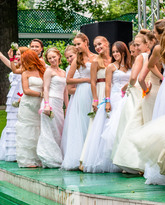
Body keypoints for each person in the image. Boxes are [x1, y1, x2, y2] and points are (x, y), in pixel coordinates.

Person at [128, 19, 165, 183]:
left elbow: (152, 65)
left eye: (155, 32)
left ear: (161, 33)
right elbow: (152, 65)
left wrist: (163, 77)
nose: (153, 35)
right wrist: (164, 77)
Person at [82, 41, 132, 173]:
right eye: (114, 51)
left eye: (118, 51)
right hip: (116, 98)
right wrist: (108, 101)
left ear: (124, 52)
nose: (115, 54)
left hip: (129, 97)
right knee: (113, 129)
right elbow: (108, 85)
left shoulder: (130, 65)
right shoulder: (111, 67)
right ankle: (114, 159)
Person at [112, 29, 154, 173]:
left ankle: (131, 160)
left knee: (131, 123)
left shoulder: (141, 57)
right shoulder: (152, 55)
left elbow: (133, 77)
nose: (135, 48)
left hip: (137, 91)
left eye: (138, 45)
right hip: (147, 90)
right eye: (134, 45)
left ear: (146, 44)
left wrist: (128, 87)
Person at [61, 32, 97, 170]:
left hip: (95, 91)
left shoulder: (96, 57)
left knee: (94, 122)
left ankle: (92, 155)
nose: (76, 47)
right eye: (75, 44)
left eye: (78, 44)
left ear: (86, 42)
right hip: (82, 92)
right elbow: (68, 80)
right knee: (83, 122)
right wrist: (86, 80)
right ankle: (80, 158)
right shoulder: (77, 60)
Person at [79, 36, 111, 169]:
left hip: (112, 92)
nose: (98, 47)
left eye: (100, 44)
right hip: (100, 90)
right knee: (97, 124)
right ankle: (88, 157)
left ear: (106, 43)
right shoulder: (95, 62)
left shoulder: (114, 60)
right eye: (95, 45)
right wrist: (95, 99)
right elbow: (93, 82)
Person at [36, 48, 68, 168]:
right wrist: (47, 105)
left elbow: (65, 91)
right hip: (50, 102)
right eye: (49, 58)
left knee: (58, 130)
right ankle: (49, 158)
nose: (52, 60)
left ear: (59, 56)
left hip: (59, 104)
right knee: (49, 130)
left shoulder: (64, 72)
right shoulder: (48, 71)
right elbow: (46, 88)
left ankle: (58, 155)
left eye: (54, 57)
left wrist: (67, 106)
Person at [15, 50, 46, 168]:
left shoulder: (42, 71)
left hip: (39, 104)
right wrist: (40, 94)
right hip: (28, 105)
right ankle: (27, 160)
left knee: (38, 129)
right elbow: (26, 90)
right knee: (27, 130)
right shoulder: (25, 73)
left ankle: (38, 157)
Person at [0, 46, 28, 162]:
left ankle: (20, 151)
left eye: (19, 54)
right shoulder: (15, 67)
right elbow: (8, 63)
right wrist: (2, 55)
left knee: (20, 122)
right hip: (12, 99)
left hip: (22, 97)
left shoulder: (27, 69)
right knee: (11, 123)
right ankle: (10, 151)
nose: (17, 56)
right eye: (16, 54)